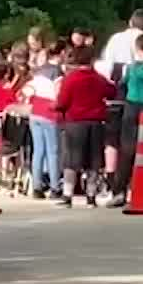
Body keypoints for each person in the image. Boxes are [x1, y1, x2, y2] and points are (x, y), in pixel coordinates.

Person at [53, 45, 114, 208]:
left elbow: (62, 102)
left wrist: (57, 108)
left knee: (71, 161)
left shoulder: (70, 79)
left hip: (75, 123)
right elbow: (112, 91)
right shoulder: (98, 78)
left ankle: (67, 195)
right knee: (93, 162)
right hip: (96, 123)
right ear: (92, 60)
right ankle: (91, 196)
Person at [109, 34, 143, 208]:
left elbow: (121, 84)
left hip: (132, 107)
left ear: (136, 48)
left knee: (127, 150)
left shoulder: (130, 68)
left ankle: (119, 191)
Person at [25, 45, 64, 198]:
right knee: (53, 151)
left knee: (38, 151)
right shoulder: (57, 72)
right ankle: (55, 187)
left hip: (35, 112)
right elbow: (58, 93)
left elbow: (29, 90)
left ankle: (37, 187)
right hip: (49, 112)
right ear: (59, 55)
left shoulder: (38, 71)